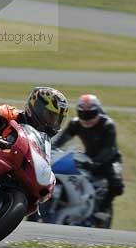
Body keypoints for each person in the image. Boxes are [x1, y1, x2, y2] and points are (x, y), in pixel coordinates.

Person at [53, 93, 123, 225]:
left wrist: (95, 162)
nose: (86, 117)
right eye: (82, 113)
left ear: (98, 111)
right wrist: (50, 147)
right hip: (89, 156)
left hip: (110, 160)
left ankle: (102, 211)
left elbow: (110, 149)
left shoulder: (107, 124)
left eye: (90, 113)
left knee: (117, 185)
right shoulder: (75, 124)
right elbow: (61, 139)